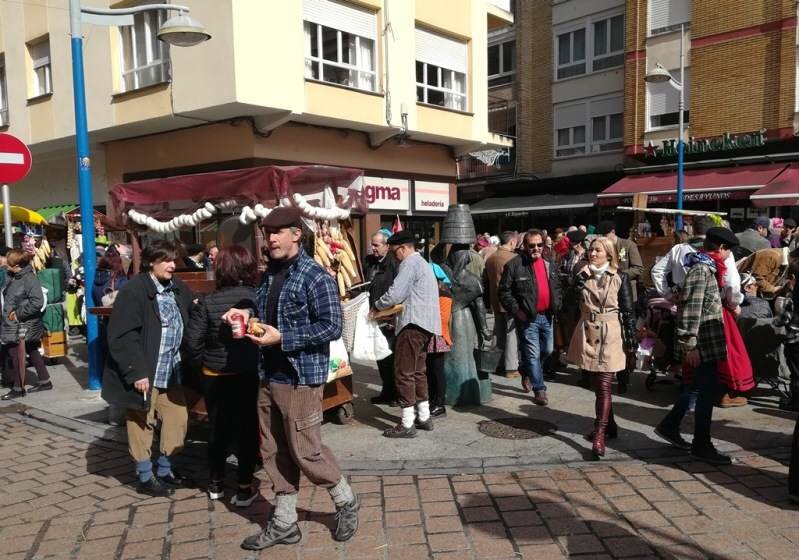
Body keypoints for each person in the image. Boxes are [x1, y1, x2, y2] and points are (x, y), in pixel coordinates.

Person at [227, 207, 358, 550]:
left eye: (277, 232)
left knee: (306, 451)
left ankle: (345, 501)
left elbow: (332, 327)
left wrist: (283, 337)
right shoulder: (269, 274)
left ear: (296, 234)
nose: (270, 239)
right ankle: (285, 521)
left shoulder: (316, 276)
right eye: (267, 232)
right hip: (268, 374)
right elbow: (267, 315)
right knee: (272, 450)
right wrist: (246, 316)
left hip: (300, 378)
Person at [101, 240, 194, 496]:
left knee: (178, 419)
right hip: (146, 371)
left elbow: (194, 307)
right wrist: (136, 372)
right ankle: (145, 476)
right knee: (142, 421)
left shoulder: (176, 287)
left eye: (175, 260)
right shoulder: (134, 290)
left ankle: (165, 470)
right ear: (152, 262)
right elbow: (122, 335)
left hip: (171, 370)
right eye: (167, 260)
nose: (173, 265)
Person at [655, 228, 740, 465]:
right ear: (721, 248)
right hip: (701, 343)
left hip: (706, 342)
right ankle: (701, 444)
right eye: (729, 251)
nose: (728, 255)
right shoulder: (702, 269)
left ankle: (670, 425)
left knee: (697, 387)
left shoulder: (707, 267)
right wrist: (689, 345)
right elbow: (691, 309)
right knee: (705, 392)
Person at [184, 245, 260, 506]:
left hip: (213, 374)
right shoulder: (255, 299)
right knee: (248, 428)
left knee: (217, 428)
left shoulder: (207, 301)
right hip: (248, 372)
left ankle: (215, 483)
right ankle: (244, 487)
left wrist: (203, 365)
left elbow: (191, 343)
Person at [567, 237, 636, 458]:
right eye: (590, 250)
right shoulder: (581, 275)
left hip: (611, 334)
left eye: (597, 250)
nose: (592, 254)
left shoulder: (619, 277)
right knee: (597, 384)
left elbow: (627, 310)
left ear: (608, 254)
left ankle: (599, 433)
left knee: (605, 384)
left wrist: (632, 339)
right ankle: (611, 425)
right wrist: (577, 285)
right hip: (587, 331)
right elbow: (567, 306)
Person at [373, 230, 441, 437]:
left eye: (395, 252)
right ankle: (423, 416)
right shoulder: (424, 263)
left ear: (403, 248)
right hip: (426, 325)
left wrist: (377, 305)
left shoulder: (410, 264)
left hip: (412, 325)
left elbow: (396, 292)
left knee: (403, 372)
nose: (395, 256)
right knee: (418, 371)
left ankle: (407, 423)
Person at [498, 229, 562, 405]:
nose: (536, 249)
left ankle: (526, 369)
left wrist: (558, 304)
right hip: (528, 318)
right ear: (525, 246)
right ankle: (539, 389)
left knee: (547, 351)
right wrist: (516, 310)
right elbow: (504, 291)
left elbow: (557, 287)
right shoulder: (514, 265)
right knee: (533, 354)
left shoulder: (550, 263)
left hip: (547, 316)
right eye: (532, 245)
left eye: (539, 245)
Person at [651, 216, 743, 308]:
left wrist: (668, 295)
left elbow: (657, 271)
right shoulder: (723, 251)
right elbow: (731, 283)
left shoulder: (678, 249)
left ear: (693, 230)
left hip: (683, 304)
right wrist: (734, 304)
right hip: (713, 307)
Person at [0, 250, 52, 399]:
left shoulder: (28, 278)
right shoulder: (14, 276)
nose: (5, 262)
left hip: (22, 323)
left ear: (16, 265)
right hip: (15, 322)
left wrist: (18, 314)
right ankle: (44, 380)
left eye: (8, 261)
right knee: (31, 349)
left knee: (15, 353)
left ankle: (18, 387)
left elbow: (37, 301)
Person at [364, 229, 399, 405]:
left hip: (389, 317)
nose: (373, 248)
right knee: (380, 356)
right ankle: (387, 391)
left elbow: (397, 292)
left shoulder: (394, 263)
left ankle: (395, 393)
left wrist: (392, 316)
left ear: (387, 246)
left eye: (376, 245)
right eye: (372, 245)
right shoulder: (370, 262)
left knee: (391, 357)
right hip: (374, 315)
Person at [484, 231, 520, 378]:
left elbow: (485, 279)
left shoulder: (491, 258)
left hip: (495, 300)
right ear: (512, 242)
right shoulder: (514, 258)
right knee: (511, 334)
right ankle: (511, 368)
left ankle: (496, 363)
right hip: (510, 301)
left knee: (498, 333)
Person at [426, 251, 453, 418]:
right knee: (429, 370)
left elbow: (442, 319)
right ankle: (431, 400)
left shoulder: (443, 295)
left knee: (437, 371)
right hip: (429, 335)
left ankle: (439, 403)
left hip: (438, 337)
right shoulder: (430, 294)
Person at [596, 221, 644, 302]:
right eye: (601, 236)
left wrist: (619, 276)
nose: (604, 238)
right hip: (609, 293)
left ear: (613, 232)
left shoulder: (628, 245)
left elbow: (638, 268)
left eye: (605, 235)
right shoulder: (603, 248)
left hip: (627, 290)